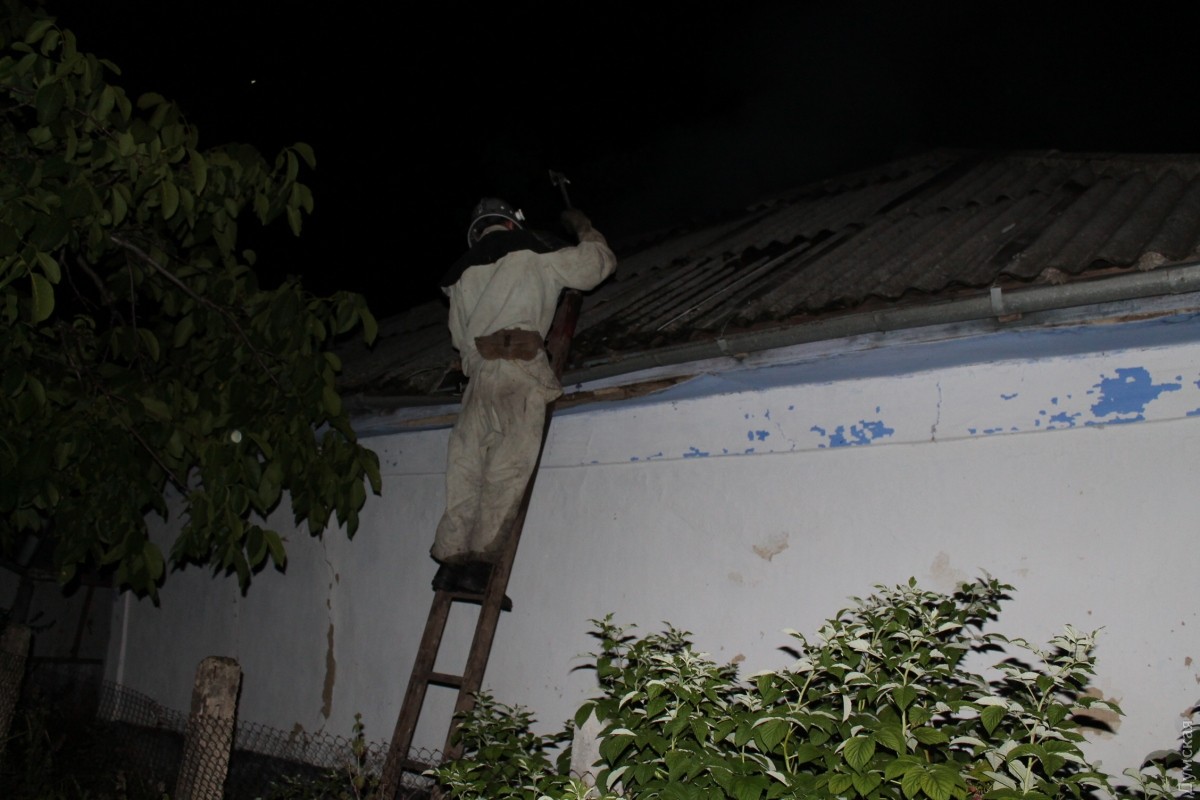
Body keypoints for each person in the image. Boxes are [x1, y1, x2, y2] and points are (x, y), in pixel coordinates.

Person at [430, 197, 618, 594]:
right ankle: (479, 568)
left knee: (466, 470)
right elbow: (595, 267)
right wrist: (585, 228)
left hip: (478, 382)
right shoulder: (533, 253)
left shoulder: (461, 276)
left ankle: (449, 563)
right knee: (507, 468)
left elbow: (460, 340)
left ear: (477, 233)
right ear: (513, 225)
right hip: (517, 371)